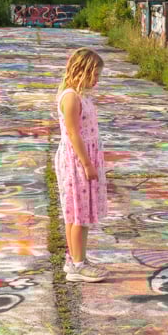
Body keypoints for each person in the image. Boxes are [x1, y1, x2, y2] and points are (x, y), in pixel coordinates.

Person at [55, 47, 109, 282]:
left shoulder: (81, 96)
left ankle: (76, 259)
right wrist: (87, 163)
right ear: (81, 71)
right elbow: (73, 134)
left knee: (76, 213)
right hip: (77, 161)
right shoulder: (70, 97)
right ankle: (78, 265)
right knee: (78, 214)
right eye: (94, 75)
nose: (96, 80)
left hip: (83, 158)